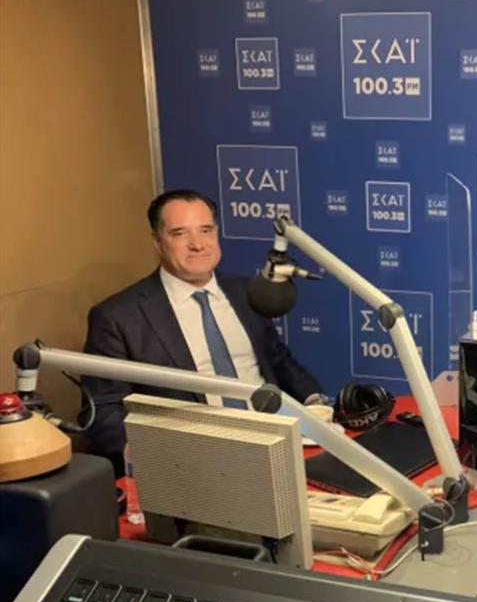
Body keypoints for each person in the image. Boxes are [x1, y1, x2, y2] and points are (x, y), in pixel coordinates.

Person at [82, 189, 327, 475]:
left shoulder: (248, 292)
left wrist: (316, 404)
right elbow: (102, 412)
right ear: (157, 242)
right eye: (180, 233)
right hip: (193, 464)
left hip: (273, 445)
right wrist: (158, 453)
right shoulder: (119, 316)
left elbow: (280, 362)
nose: (197, 244)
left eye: (206, 230)